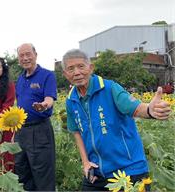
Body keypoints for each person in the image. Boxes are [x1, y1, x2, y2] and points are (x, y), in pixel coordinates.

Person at [61, 49, 172, 191]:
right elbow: (76, 131)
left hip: (128, 171)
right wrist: (85, 162)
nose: (76, 72)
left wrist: (150, 110)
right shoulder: (71, 100)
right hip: (96, 172)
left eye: (81, 66)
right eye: (71, 69)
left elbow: (135, 107)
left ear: (91, 68)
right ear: (65, 74)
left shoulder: (110, 88)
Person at [15, 43, 57, 191]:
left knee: (43, 173)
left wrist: (44, 105)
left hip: (39, 129)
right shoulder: (20, 79)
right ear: (18, 59)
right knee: (22, 171)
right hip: (21, 131)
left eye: (28, 54)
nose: (25, 58)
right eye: (21, 55)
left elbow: (50, 98)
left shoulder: (47, 75)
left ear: (35, 55)